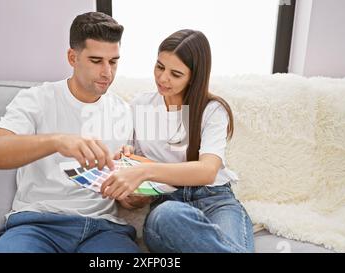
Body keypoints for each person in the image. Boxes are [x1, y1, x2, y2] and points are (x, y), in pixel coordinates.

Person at [0, 12, 140, 253]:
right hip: (37, 225)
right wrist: (56, 141)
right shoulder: (37, 99)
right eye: (96, 61)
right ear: (72, 57)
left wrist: (133, 196)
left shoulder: (123, 111)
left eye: (113, 61)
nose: (107, 72)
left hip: (103, 229)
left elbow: (127, 196)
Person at [101, 29, 254, 253]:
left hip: (214, 199)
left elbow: (207, 171)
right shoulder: (140, 106)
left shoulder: (212, 110)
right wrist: (131, 195)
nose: (163, 78)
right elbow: (129, 164)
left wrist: (146, 171)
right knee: (166, 217)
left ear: (194, 76)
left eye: (176, 73)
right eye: (160, 66)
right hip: (168, 206)